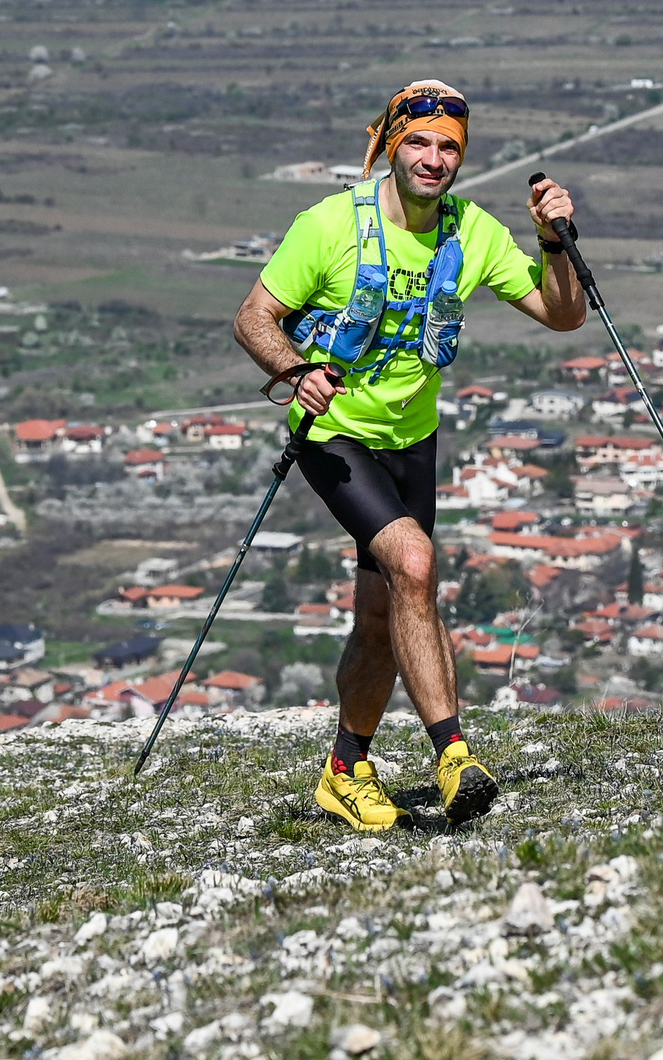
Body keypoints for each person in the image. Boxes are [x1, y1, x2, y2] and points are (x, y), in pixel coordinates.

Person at [235, 81, 584, 829]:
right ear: (392, 144)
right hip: (333, 432)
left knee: (381, 613)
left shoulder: (473, 231)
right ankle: (454, 753)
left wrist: (553, 240)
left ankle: (345, 767)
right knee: (415, 564)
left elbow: (562, 313)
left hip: (413, 439)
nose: (434, 159)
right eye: (419, 142)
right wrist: (298, 370)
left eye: (449, 146)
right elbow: (254, 317)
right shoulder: (330, 225)